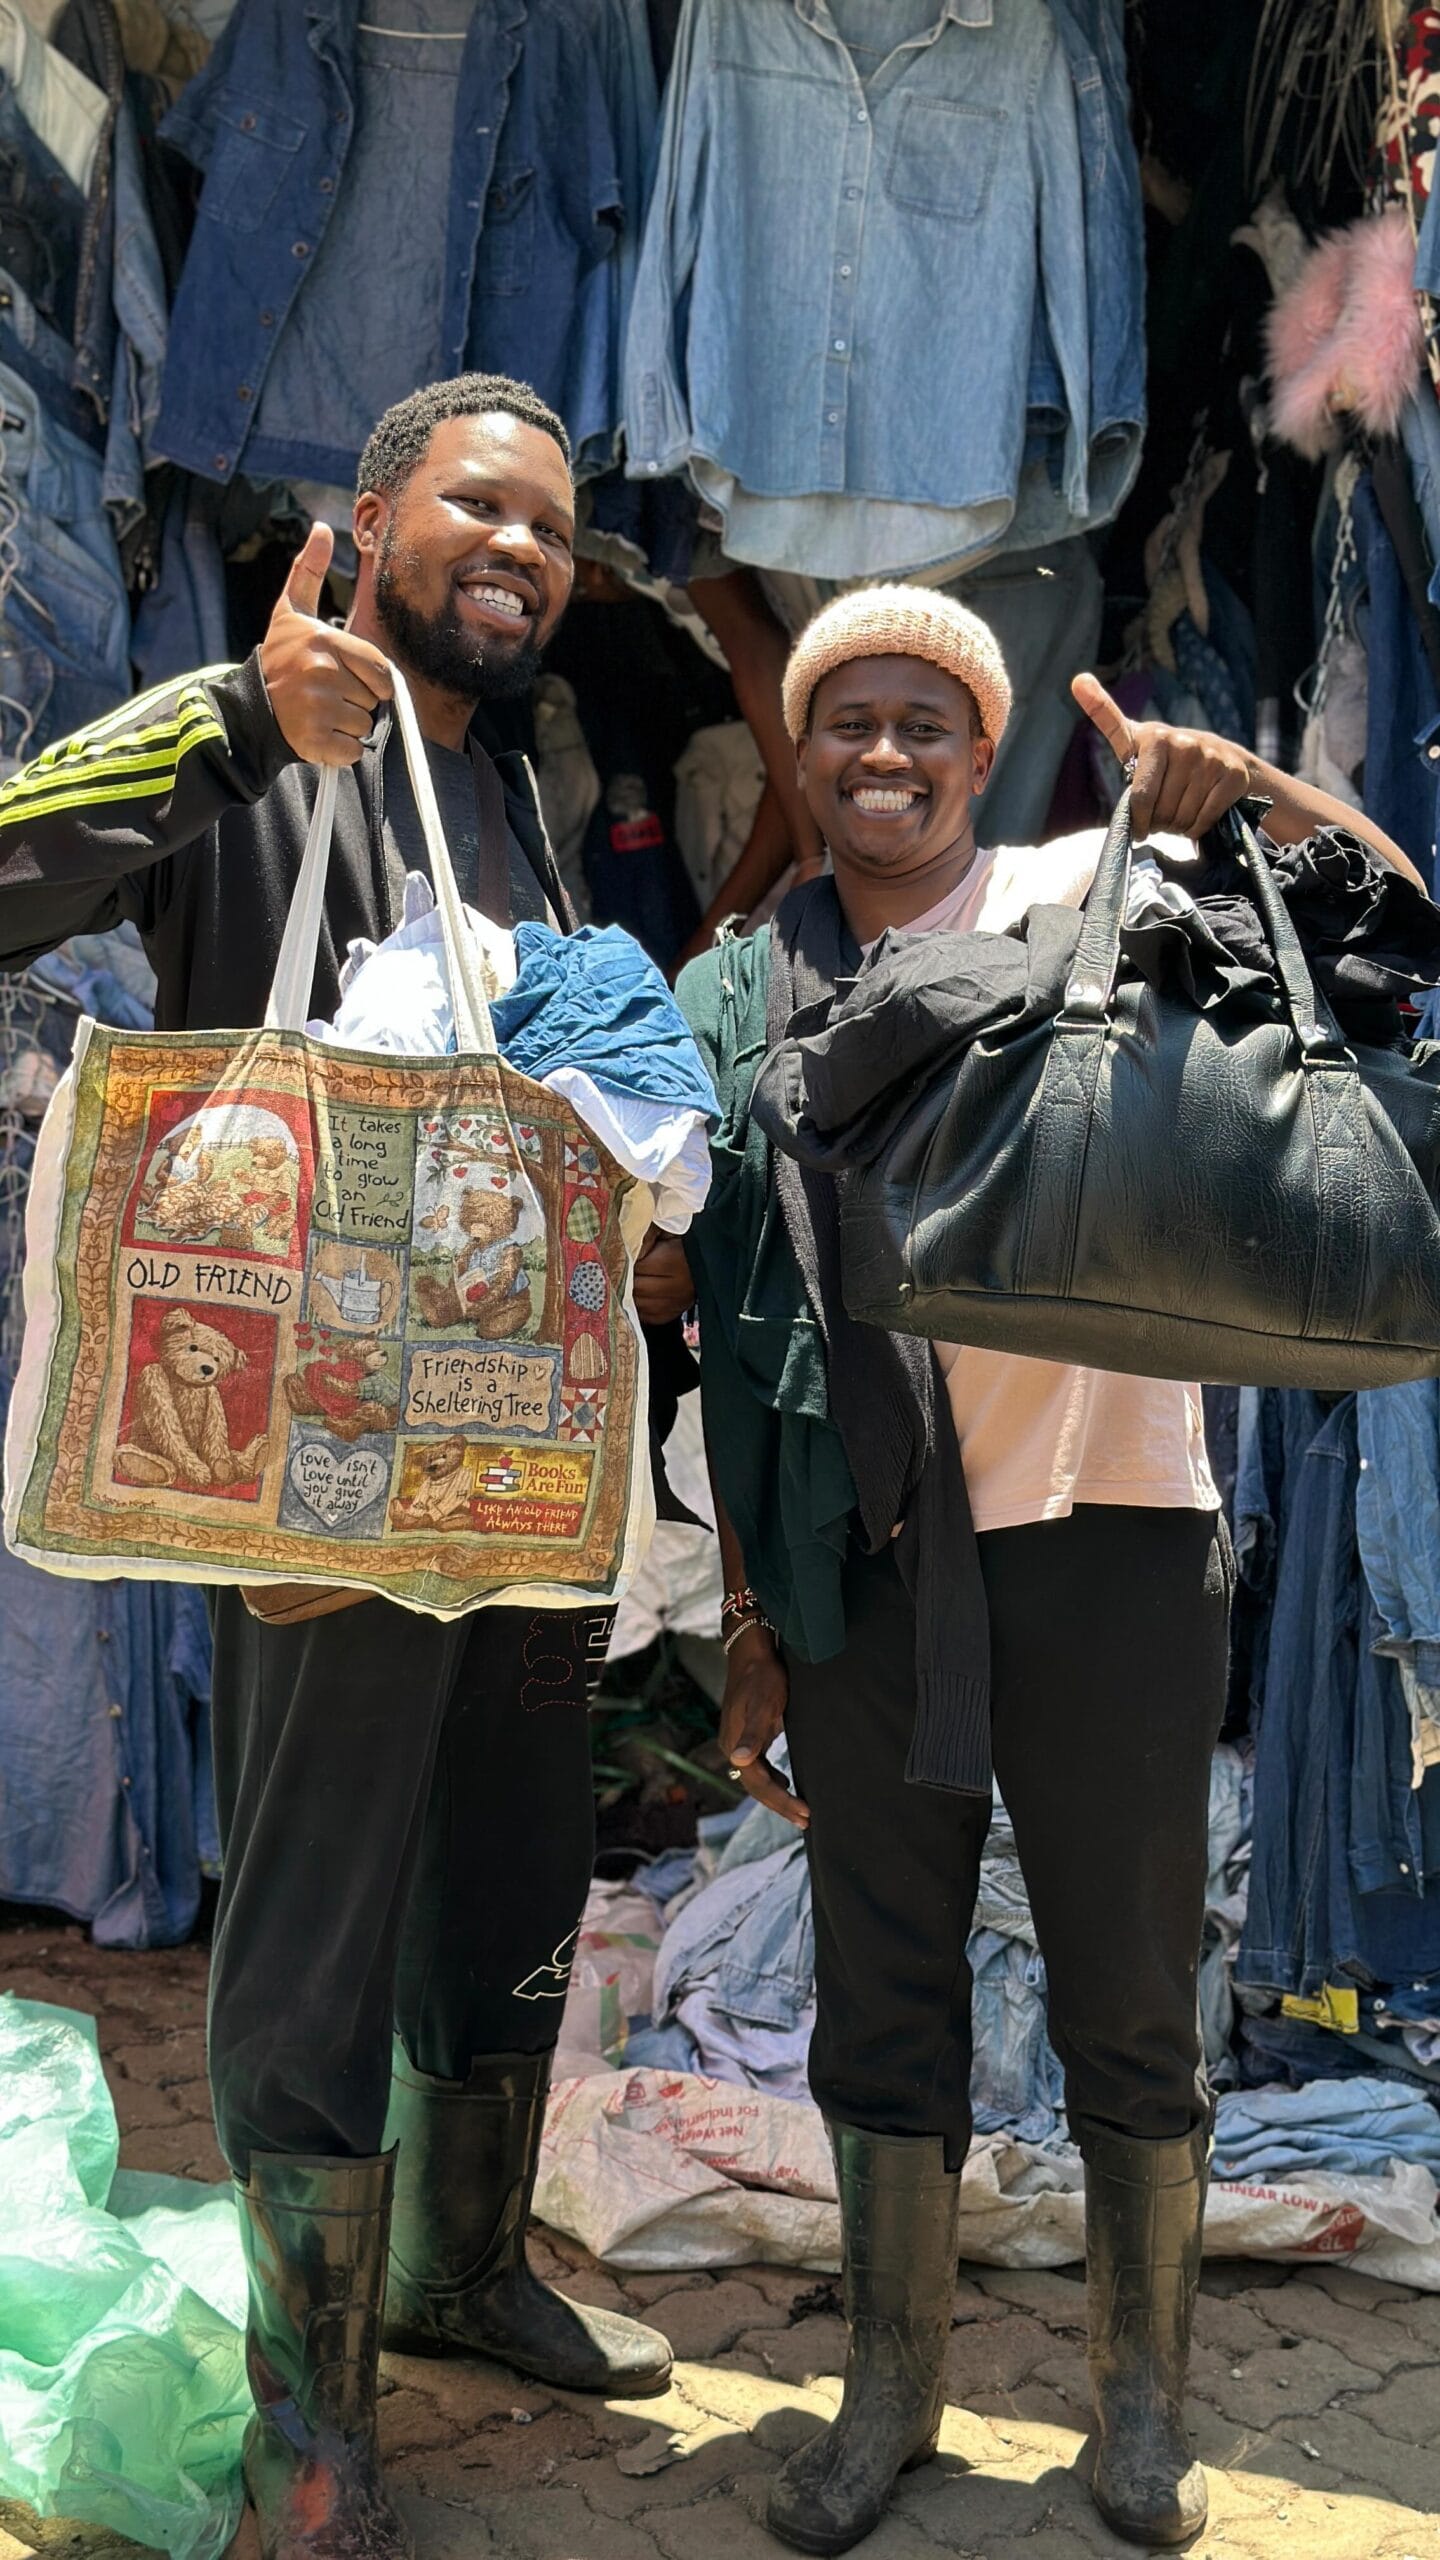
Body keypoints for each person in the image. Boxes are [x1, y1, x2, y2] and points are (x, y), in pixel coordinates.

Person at [0, 374, 679, 2560]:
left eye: (554, 526)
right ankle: (311, 2417)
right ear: (372, 520)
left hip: (512, 1455)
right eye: (482, 505)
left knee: (509, 1869)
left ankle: (458, 2270)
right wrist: (228, 720)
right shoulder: (271, 733)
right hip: (310, 1454)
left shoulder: (526, 785)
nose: (524, 549)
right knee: (313, 1906)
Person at [675, 585, 1423, 2558]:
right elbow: (729, 1332)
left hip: (1114, 1536)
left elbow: (1397, 909)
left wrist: (1244, 787)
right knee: (881, 1984)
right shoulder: (743, 984)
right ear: (799, 750)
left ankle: (1142, 2404)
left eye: (925, 721)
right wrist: (750, 1619)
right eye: (848, 721)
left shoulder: (1090, 880)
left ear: (984, 748)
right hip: (865, 1556)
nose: (885, 754)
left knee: (1130, 1984)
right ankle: (888, 2391)